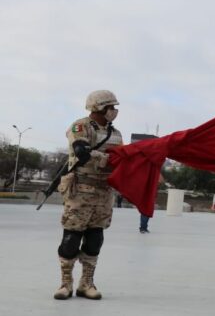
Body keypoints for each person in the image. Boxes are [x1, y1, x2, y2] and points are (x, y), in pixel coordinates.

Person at [54, 90, 124, 300]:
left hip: (104, 192)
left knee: (95, 238)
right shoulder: (81, 126)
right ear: (99, 107)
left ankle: (86, 283)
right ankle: (66, 283)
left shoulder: (116, 134)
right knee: (71, 239)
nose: (114, 111)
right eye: (111, 107)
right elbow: (80, 149)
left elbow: (122, 158)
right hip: (81, 191)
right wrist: (101, 156)